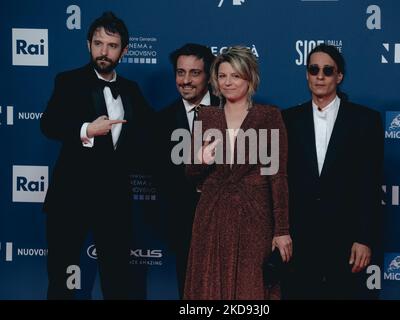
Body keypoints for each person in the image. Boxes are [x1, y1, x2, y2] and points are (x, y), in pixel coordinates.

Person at [40, 11, 154, 299]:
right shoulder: (68, 81)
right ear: (88, 44)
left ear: (124, 51)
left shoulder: (131, 90)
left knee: (118, 281)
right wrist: (87, 129)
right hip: (70, 198)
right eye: (98, 43)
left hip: (114, 202)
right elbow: (49, 124)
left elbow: (151, 133)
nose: (103, 52)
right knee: (61, 279)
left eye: (112, 45)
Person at [183, 46, 292, 300]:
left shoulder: (269, 117)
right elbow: (190, 173)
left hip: (254, 216)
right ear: (215, 81)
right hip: (212, 215)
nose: (228, 82)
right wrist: (200, 159)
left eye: (235, 76)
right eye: (222, 76)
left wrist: (282, 230)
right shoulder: (206, 116)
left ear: (250, 78)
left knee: (250, 287)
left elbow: (278, 177)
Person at [282, 44, 383, 299]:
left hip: (346, 241)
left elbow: (370, 183)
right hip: (300, 240)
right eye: (314, 69)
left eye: (328, 70)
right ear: (306, 74)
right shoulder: (287, 120)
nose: (320, 76)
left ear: (339, 77)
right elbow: (278, 181)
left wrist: (364, 238)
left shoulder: (365, 120)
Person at [157, 43, 219, 298]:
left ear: (208, 76)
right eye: (181, 73)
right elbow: (161, 177)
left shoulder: (232, 112)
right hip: (184, 225)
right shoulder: (160, 121)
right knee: (189, 291)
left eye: (194, 73)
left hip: (227, 221)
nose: (186, 80)